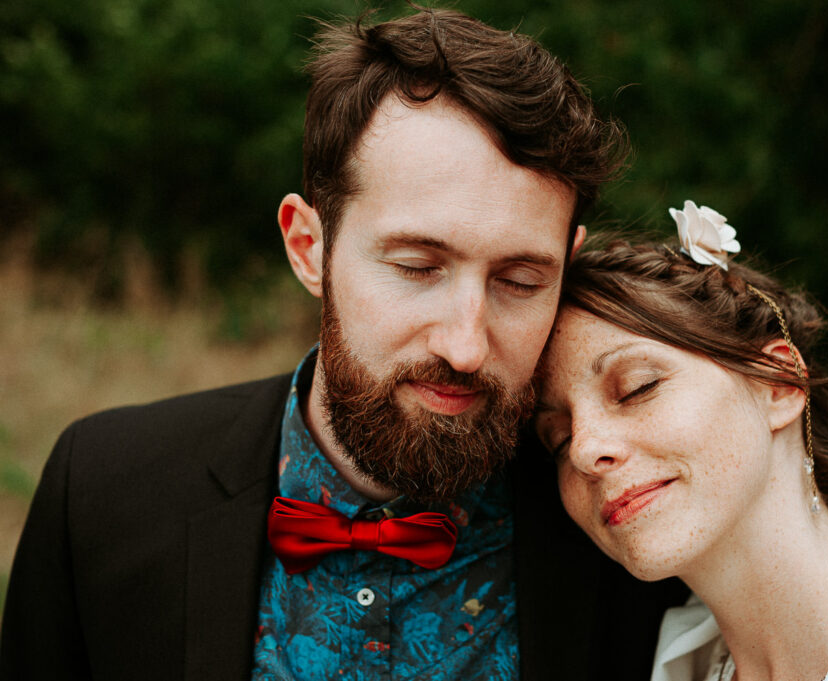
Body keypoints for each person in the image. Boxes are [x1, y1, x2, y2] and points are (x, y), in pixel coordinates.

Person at [0, 9, 687, 681]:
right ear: (309, 247)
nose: (466, 345)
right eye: (418, 267)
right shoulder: (100, 493)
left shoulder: (633, 531)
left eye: (520, 279)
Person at [533, 201, 828, 681]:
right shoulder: (676, 663)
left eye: (639, 387)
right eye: (557, 439)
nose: (582, 451)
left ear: (779, 383)